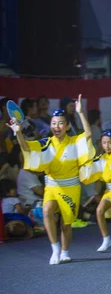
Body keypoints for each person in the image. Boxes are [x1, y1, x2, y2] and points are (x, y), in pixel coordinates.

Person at [7, 94, 95, 264]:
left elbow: (89, 134)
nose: (56, 126)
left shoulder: (75, 142)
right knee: (47, 211)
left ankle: (65, 251)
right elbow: (26, 147)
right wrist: (18, 133)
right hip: (53, 187)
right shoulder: (46, 144)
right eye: (54, 123)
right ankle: (55, 248)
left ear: (67, 126)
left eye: (61, 123)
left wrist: (80, 113)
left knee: (66, 224)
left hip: (71, 188)